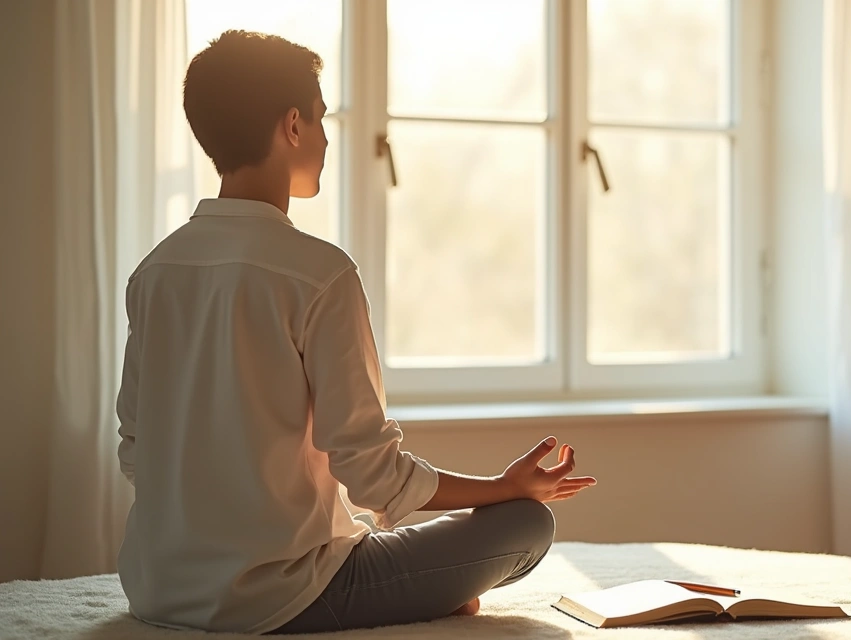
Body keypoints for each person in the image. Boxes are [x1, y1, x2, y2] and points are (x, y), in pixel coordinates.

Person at [114, 30, 597, 635]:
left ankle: (420, 587)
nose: (323, 139)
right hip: (283, 600)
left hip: (156, 590)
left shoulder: (155, 271)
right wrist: (501, 488)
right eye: (319, 120)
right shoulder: (318, 274)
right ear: (293, 125)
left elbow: (136, 447)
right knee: (527, 525)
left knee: (387, 538)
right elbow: (373, 475)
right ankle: (424, 594)